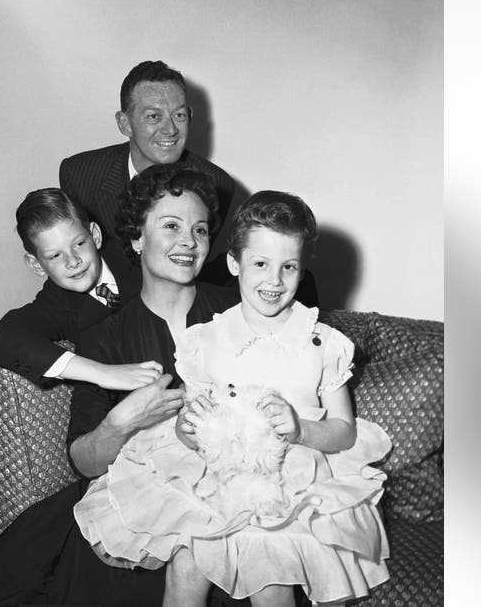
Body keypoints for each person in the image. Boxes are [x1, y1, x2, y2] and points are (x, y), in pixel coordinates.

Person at [0, 164, 241, 607]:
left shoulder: (234, 311)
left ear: (98, 236)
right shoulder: (101, 332)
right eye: (171, 226)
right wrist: (118, 412)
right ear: (137, 238)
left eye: (201, 228)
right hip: (135, 487)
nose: (188, 241)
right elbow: (81, 457)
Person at [73, 191, 393, 606]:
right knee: (186, 567)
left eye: (289, 267)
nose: (274, 281)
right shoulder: (204, 341)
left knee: (271, 580)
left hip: (287, 488)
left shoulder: (323, 344)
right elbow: (191, 426)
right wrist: (188, 430)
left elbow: (344, 432)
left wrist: (300, 429)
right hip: (214, 480)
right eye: (260, 264)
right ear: (234, 263)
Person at [59, 60, 236, 291]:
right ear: (125, 124)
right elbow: (70, 265)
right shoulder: (80, 175)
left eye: (179, 115)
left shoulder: (216, 183)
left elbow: (192, 270)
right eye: (154, 117)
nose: (170, 129)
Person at [0, 188, 163, 391]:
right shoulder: (57, 303)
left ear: (95, 236)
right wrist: (102, 373)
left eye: (79, 244)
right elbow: (4, 338)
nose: (73, 261)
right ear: (36, 265)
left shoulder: (135, 254)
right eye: (55, 256)